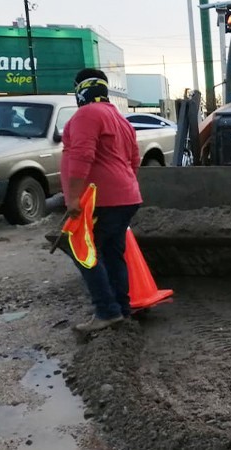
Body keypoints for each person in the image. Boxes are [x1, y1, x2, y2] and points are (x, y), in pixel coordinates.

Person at [62, 68, 142, 332]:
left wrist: (74, 197)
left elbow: (82, 155)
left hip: (102, 199)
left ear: (80, 90)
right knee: (111, 253)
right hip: (125, 196)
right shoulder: (120, 119)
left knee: (83, 251)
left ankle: (107, 311)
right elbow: (134, 160)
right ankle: (121, 308)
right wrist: (124, 187)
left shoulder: (87, 114)